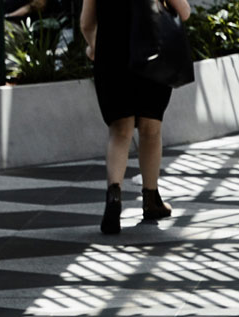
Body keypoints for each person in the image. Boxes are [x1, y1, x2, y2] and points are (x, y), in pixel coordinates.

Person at [83, 0, 194, 235]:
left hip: (111, 58)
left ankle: (114, 195)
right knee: (150, 129)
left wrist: (93, 46)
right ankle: (151, 200)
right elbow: (184, 12)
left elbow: (86, 23)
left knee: (119, 130)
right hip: (150, 55)